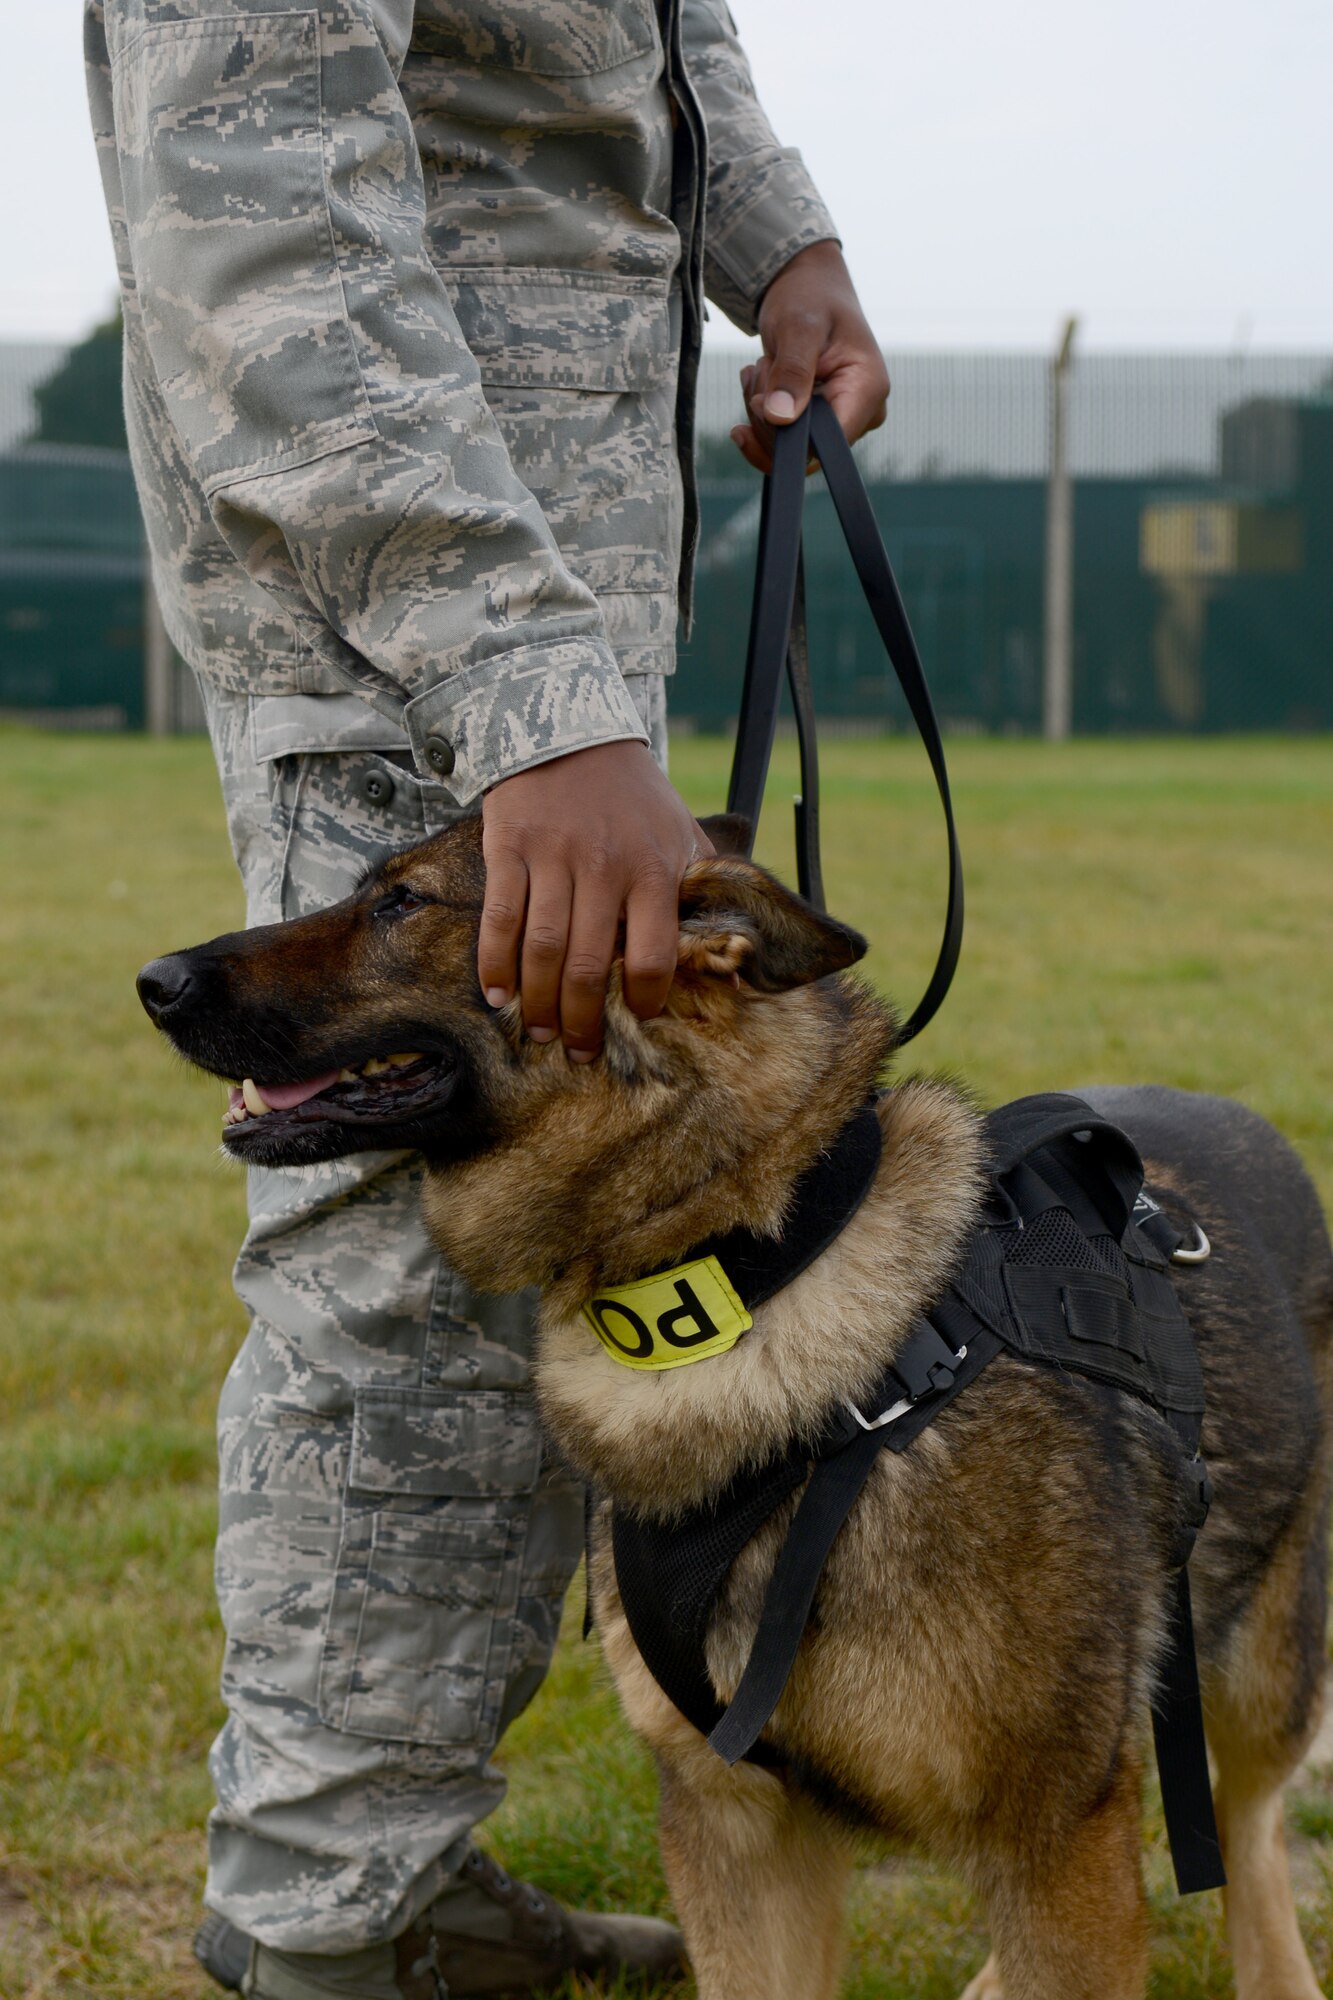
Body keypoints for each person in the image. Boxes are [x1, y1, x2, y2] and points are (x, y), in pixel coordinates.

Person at [85, 3, 889, 1994]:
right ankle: (320, 1919)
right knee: (406, 1252)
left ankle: (391, 1867)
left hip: (542, 599)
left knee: (544, 1224)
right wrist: (531, 699)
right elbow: (254, 199)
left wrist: (774, 244)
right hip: (410, 615)